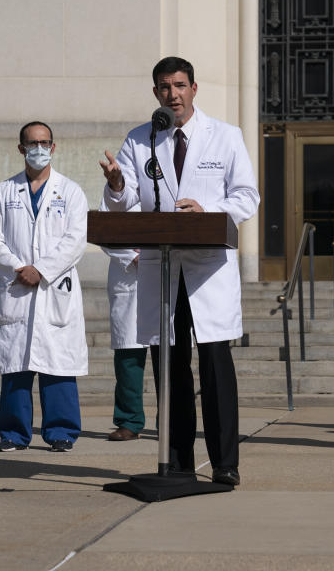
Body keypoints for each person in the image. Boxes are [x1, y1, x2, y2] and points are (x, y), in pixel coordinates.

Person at [99, 56, 259, 486]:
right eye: (165, 87)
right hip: (162, 266)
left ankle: (225, 463)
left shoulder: (225, 136)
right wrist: (116, 185)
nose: (174, 95)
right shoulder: (140, 138)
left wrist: (208, 210)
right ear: (156, 94)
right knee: (170, 367)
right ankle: (178, 462)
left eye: (181, 85)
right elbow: (124, 200)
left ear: (194, 88)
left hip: (207, 269)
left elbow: (247, 197)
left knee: (214, 366)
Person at [0, 121, 88, 453]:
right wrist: (19, 268)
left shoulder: (70, 191)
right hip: (18, 286)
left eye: (44, 143)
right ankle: (13, 433)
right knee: (16, 366)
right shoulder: (4, 191)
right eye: (32, 144)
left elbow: (75, 240)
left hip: (54, 288)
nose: (38, 149)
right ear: (21, 149)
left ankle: (61, 432)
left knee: (58, 364)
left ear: (53, 147)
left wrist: (41, 271)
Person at [101, 200, 148, 442]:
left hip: (166, 270)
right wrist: (133, 256)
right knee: (129, 357)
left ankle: (173, 421)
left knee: (171, 358)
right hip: (128, 278)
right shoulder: (116, 190)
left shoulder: (173, 180)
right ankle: (129, 421)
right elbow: (107, 230)